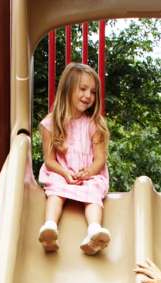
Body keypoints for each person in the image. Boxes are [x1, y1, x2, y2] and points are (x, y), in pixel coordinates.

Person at [37, 62, 111, 255]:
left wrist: (87, 173)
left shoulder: (95, 124)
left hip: (88, 175)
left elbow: (100, 160)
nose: (88, 96)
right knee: (56, 188)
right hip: (61, 172)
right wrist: (65, 173)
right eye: (83, 89)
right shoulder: (51, 124)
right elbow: (50, 161)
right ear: (68, 89)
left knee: (93, 191)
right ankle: (50, 228)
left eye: (93, 92)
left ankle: (94, 231)